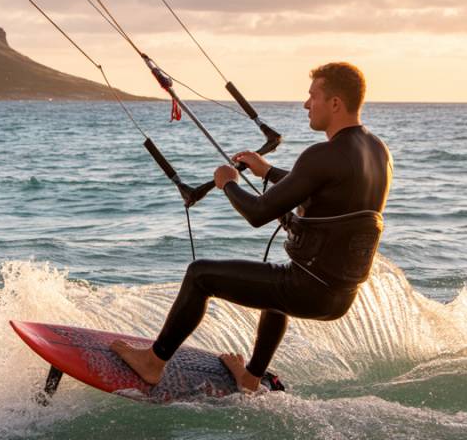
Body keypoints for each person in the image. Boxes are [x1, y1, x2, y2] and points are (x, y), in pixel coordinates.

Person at [111, 62, 393, 392]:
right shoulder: (377, 151)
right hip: (339, 296)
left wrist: (227, 183)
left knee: (200, 274)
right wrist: (268, 171)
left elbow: (258, 213)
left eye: (312, 96)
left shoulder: (322, 154)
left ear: (335, 103)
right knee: (273, 286)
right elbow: (329, 189)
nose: (306, 104)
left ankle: (153, 363)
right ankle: (251, 377)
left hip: (307, 289)